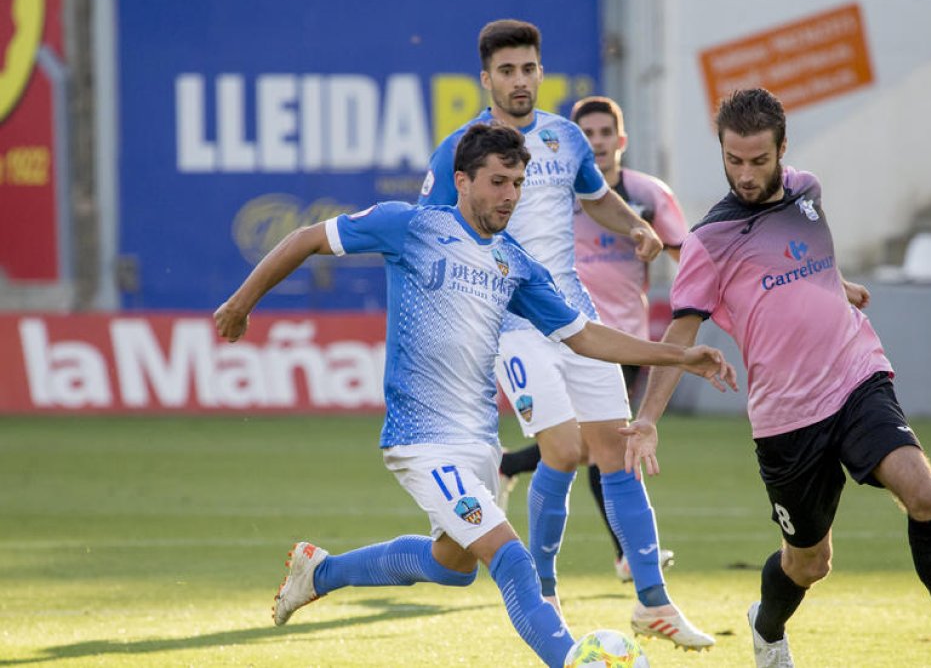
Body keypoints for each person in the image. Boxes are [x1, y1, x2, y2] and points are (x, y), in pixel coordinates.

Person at [212, 122, 734, 667]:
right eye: (497, 182)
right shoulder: (409, 226)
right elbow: (308, 238)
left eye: (517, 182)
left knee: (451, 566)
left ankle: (321, 572)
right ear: (462, 181)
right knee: (511, 558)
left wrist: (678, 355)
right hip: (421, 441)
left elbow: (582, 335)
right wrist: (241, 303)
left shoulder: (514, 264)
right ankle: (572, 660)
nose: (510, 195)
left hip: (479, 444)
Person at [621, 88, 931, 668]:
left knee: (923, 494)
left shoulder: (807, 191)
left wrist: (837, 288)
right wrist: (646, 419)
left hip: (855, 373)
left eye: (758, 161)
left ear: (782, 150)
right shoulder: (709, 240)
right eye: (733, 160)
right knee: (809, 562)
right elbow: (679, 336)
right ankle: (766, 628)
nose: (744, 173)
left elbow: (800, 257)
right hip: (786, 417)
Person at [419, 20, 715, 651]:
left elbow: (598, 197)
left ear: (539, 71)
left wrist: (637, 226)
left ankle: (652, 604)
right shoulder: (459, 151)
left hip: (576, 319)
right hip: (509, 326)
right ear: (486, 79)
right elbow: (425, 235)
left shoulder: (565, 138)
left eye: (529, 69)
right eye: (507, 71)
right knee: (562, 448)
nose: (520, 81)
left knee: (620, 452)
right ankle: (546, 591)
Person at [497, 96, 690, 584]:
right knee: (591, 447)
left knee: (592, 446)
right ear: (577, 143)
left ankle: (510, 466)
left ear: (620, 141)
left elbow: (687, 255)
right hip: (561, 332)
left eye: (607, 133)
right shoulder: (554, 189)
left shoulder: (645, 196)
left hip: (624, 336)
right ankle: (625, 559)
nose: (599, 142)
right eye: (591, 134)